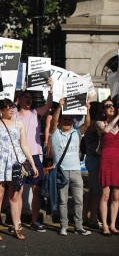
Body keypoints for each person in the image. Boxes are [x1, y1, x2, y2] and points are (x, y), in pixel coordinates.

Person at [0, 92, 38, 241]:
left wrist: (33, 164)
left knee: (15, 196)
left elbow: (24, 144)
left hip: (16, 162)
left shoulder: (19, 123)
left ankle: (17, 227)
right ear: (1, 110)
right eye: (8, 107)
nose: (12, 109)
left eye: (13, 107)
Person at [49, 98, 91, 236]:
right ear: (61, 121)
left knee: (79, 200)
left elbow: (88, 123)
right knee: (63, 201)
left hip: (76, 171)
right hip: (61, 171)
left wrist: (87, 109)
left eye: (69, 120)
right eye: (64, 119)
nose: (67, 122)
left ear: (72, 122)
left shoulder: (76, 132)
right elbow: (53, 122)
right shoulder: (55, 133)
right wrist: (59, 107)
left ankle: (78, 227)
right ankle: (64, 226)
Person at [16, 79, 53, 233]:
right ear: (18, 100)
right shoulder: (14, 116)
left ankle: (34, 220)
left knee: (36, 189)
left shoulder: (35, 113)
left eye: (30, 98)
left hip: (35, 155)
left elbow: (48, 105)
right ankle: (16, 221)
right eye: (25, 97)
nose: (28, 99)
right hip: (19, 156)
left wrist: (51, 89)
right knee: (18, 190)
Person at [96, 98, 119, 236]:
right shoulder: (100, 123)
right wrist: (117, 116)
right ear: (103, 110)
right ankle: (104, 224)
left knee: (116, 196)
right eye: (107, 106)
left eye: (113, 106)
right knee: (105, 195)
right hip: (106, 159)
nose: (111, 108)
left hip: (118, 160)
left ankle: (113, 224)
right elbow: (106, 130)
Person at [82, 101, 102, 230]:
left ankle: (84, 215)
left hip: (89, 158)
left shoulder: (89, 125)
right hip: (95, 159)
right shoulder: (96, 125)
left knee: (90, 189)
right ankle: (93, 217)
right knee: (96, 191)